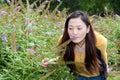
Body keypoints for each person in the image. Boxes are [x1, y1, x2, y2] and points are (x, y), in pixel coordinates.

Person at [42, 10, 108, 80]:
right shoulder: (64, 41)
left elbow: (103, 58)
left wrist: (105, 72)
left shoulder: (100, 41)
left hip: (97, 76)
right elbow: (62, 59)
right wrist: (49, 62)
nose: (74, 33)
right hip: (77, 76)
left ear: (87, 29)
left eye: (79, 28)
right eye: (70, 28)